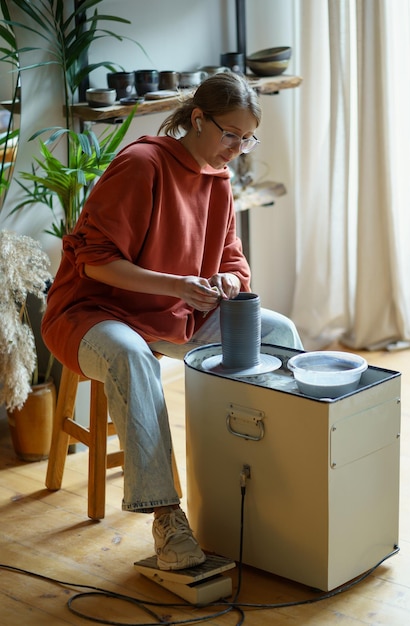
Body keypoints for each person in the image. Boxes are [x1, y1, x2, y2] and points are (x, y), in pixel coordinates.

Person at [41, 72, 303, 571]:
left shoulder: (219, 181)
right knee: (131, 354)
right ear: (198, 119)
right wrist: (180, 285)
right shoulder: (142, 165)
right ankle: (166, 515)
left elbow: (232, 259)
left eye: (248, 139)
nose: (237, 148)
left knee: (278, 332)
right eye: (230, 134)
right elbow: (94, 263)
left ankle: (278, 482)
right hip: (92, 313)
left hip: (175, 312)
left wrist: (228, 282)